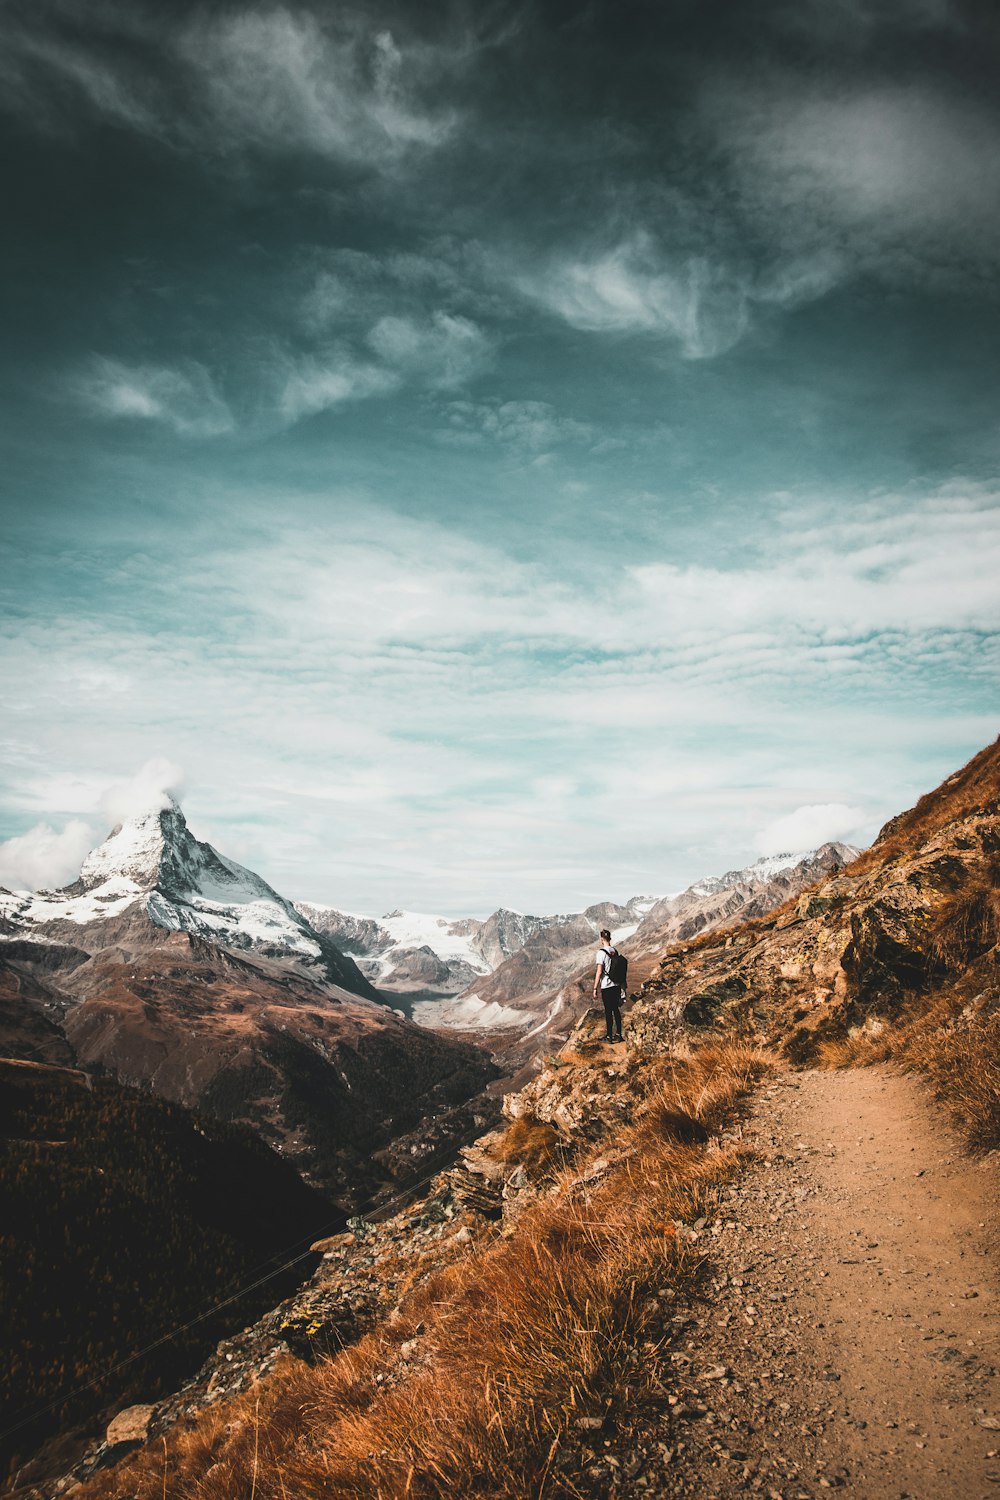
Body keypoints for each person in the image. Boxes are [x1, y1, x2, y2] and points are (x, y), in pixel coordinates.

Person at [593, 928, 624, 1043]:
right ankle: (619, 1034)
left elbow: (599, 972)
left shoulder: (601, 953)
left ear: (602, 939)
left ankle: (609, 1036)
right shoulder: (615, 951)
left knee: (608, 1011)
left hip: (606, 985)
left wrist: (595, 987)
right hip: (616, 984)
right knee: (616, 1010)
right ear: (610, 938)